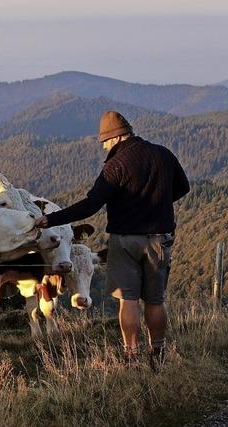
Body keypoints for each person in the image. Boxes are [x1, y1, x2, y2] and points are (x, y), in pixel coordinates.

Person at [35, 111, 190, 369]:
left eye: (105, 141)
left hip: (125, 240)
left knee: (127, 300)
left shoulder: (116, 166)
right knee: (155, 300)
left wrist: (51, 220)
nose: (105, 146)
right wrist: (157, 205)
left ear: (116, 138)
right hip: (159, 240)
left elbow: (91, 205)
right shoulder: (164, 154)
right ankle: (158, 354)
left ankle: (131, 355)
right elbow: (183, 188)